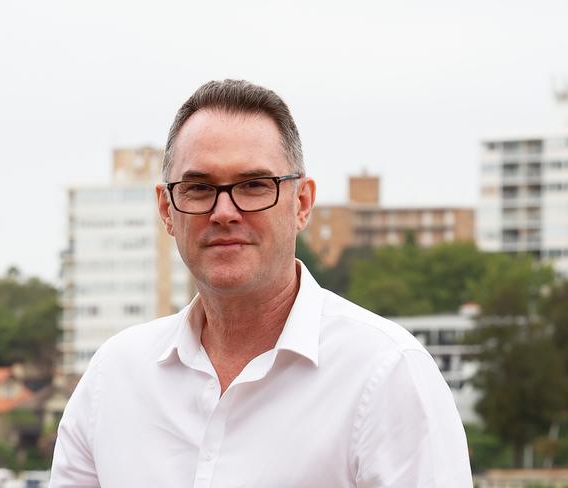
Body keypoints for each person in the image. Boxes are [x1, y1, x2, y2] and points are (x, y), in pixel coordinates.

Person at [50, 80, 473, 487]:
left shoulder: (386, 374)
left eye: (254, 185)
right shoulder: (113, 378)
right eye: (199, 188)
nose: (224, 211)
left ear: (302, 203)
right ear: (166, 208)